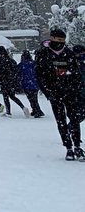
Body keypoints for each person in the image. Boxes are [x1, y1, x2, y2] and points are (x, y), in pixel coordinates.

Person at [34, 28, 83, 161]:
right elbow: (39, 75)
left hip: (70, 92)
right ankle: (68, 147)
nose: (59, 44)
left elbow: (76, 73)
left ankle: (77, 145)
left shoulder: (69, 53)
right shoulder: (43, 54)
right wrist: (48, 92)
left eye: (62, 41)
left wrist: (75, 88)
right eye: (57, 41)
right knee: (60, 120)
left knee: (74, 119)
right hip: (55, 93)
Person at [0, 46, 29, 117]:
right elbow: (16, 71)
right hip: (12, 81)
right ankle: (23, 107)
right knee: (12, 96)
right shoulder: (11, 60)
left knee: (5, 97)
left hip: (4, 81)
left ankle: (8, 112)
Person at [17, 50, 45, 118]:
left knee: (31, 99)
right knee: (35, 98)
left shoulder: (22, 64)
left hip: (26, 84)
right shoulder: (34, 63)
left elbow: (18, 73)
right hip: (35, 83)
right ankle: (36, 110)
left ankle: (37, 111)